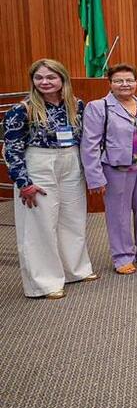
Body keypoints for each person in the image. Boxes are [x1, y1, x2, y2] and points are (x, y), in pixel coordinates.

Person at [3, 59, 97, 298]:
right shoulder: (21, 109)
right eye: (39, 78)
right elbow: (11, 149)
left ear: (62, 79)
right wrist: (23, 182)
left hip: (70, 161)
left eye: (51, 77)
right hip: (39, 164)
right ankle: (44, 283)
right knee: (40, 223)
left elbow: (86, 140)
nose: (45, 82)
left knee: (72, 218)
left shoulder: (76, 105)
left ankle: (76, 269)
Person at [82, 64, 137, 275]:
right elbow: (90, 144)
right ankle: (122, 257)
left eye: (129, 80)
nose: (125, 84)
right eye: (119, 80)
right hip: (116, 167)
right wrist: (94, 177)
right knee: (118, 213)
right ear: (110, 83)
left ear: (136, 82)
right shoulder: (98, 107)